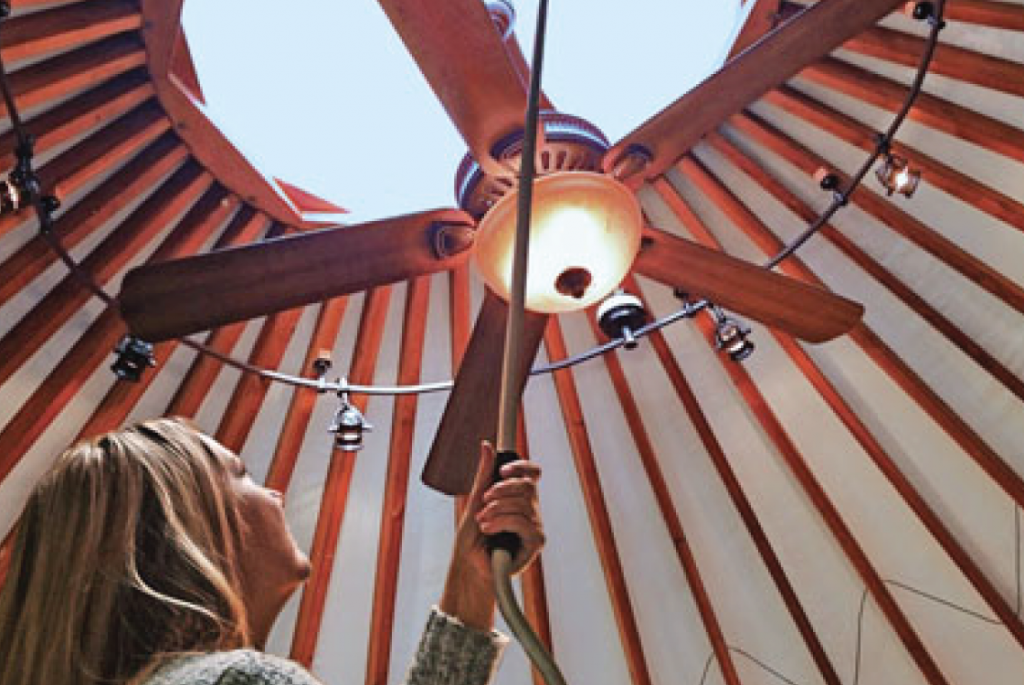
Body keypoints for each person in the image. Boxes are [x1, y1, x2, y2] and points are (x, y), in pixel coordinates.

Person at [0, 417, 544, 685]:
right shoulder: (240, 680)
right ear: (188, 526)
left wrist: (471, 582)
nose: (275, 492)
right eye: (243, 474)